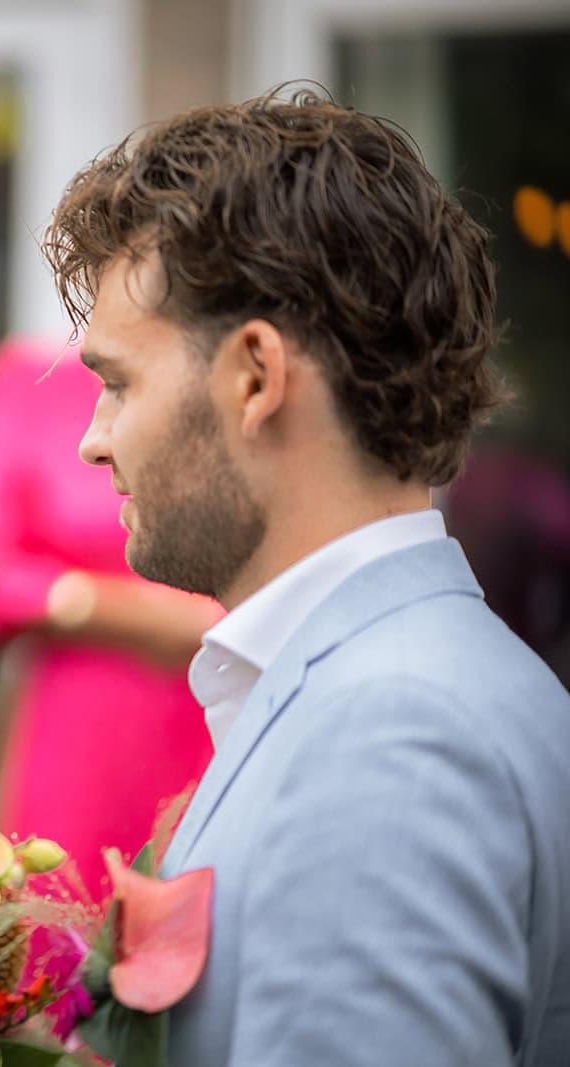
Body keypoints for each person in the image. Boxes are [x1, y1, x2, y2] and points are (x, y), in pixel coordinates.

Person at [43, 90, 570, 1065]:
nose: (93, 440)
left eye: (118, 383)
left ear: (255, 375)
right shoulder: (423, 682)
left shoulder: (390, 735)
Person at [0, 337, 218, 896]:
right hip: (86, 732)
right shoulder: (34, 381)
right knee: (65, 916)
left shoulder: (237, 369)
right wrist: (118, 610)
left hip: (222, 715)